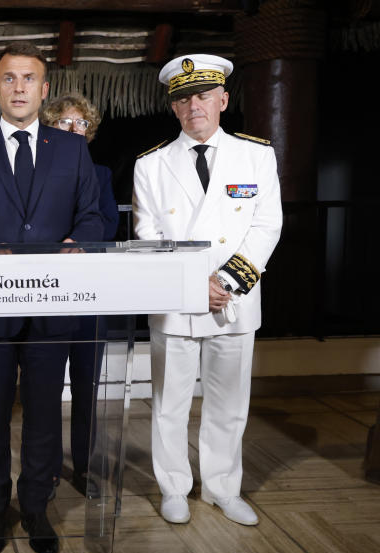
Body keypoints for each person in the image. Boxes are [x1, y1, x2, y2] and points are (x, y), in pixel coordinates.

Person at [0, 43, 104, 553]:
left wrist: (79, 242)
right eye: (8, 79)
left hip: (55, 307)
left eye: (28, 79)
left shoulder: (72, 150)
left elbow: (93, 216)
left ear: (44, 89)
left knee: (43, 413)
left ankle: (35, 506)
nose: (18, 88)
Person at [133, 54, 282, 526]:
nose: (193, 104)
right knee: (169, 404)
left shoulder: (256, 155)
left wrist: (226, 282)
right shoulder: (151, 165)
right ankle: (174, 487)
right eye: (182, 98)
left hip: (234, 301)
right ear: (173, 108)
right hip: (177, 303)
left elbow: (267, 225)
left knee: (229, 405)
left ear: (223, 99)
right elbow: (147, 235)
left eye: (202, 95)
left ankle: (222, 489)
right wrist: (195, 284)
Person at [41, 94, 119, 497]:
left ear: (89, 133)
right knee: (49, 387)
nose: (74, 130)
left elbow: (107, 226)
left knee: (87, 387)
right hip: (47, 296)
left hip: (90, 296)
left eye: (80, 124)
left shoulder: (102, 175)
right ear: (49, 130)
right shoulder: (34, 175)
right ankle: (49, 469)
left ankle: (86, 468)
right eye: (65, 123)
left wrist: (76, 241)